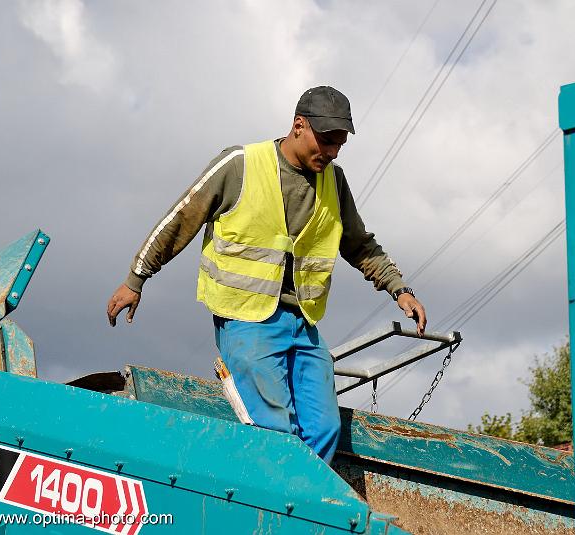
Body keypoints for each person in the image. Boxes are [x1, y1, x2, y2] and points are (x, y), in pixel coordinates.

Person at [107, 86, 427, 464]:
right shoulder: (240, 164)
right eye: (326, 141)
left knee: (324, 429)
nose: (332, 153)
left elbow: (359, 244)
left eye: (339, 145)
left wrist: (399, 289)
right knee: (275, 431)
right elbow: (181, 218)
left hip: (303, 323)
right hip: (246, 319)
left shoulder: (334, 182)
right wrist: (136, 278)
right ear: (298, 126)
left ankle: (299, 509)